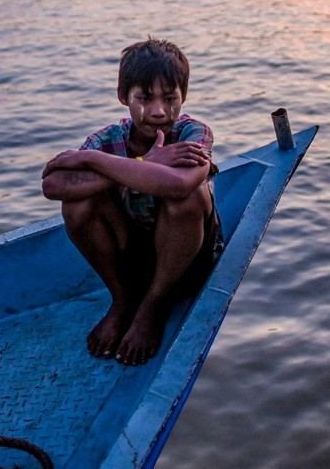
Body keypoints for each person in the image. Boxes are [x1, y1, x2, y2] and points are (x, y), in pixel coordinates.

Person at [42, 39, 220, 365]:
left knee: (187, 197)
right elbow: (54, 186)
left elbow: (181, 182)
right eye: (144, 98)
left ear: (183, 97)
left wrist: (103, 165)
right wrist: (144, 161)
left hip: (187, 258)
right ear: (124, 97)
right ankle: (122, 301)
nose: (158, 111)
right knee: (78, 204)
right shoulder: (106, 140)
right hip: (133, 254)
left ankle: (152, 307)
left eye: (170, 98)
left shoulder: (193, 133)